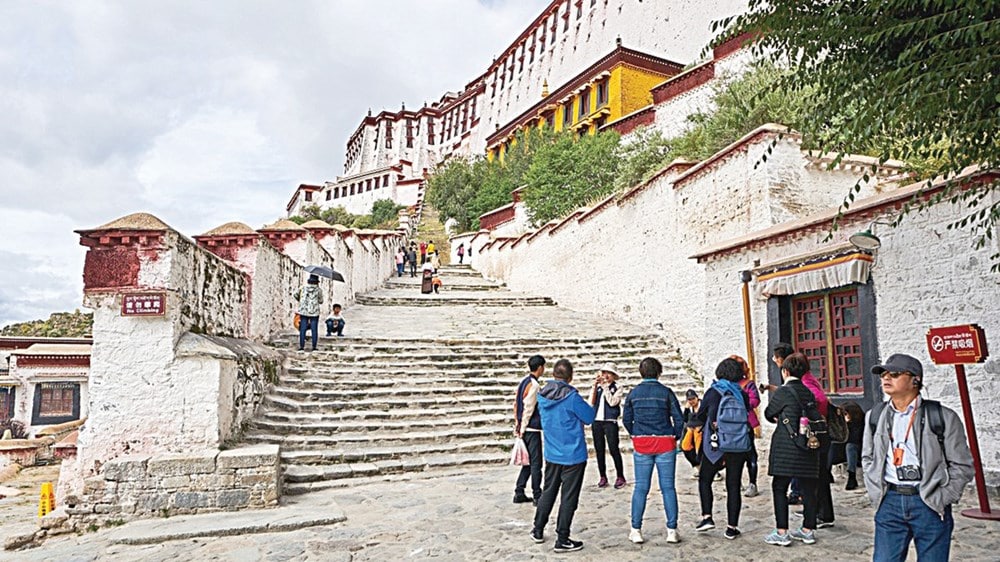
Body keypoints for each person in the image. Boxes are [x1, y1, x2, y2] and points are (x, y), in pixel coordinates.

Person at [862, 353, 974, 561]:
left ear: (916, 380)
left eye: (894, 374)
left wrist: (943, 496)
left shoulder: (942, 417)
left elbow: (962, 465)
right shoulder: (875, 415)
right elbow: (868, 457)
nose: (886, 378)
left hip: (928, 502)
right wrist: (876, 490)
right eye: (883, 374)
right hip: (890, 501)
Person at [531, 359, 595, 553]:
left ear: (553, 374)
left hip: (552, 453)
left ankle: (538, 529)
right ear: (570, 376)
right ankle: (562, 538)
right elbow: (589, 417)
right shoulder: (572, 397)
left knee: (548, 491)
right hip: (573, 455)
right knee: (569, 497)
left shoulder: (542, 395)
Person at [623, 357, 684, 545]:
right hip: (665, 442)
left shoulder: (633, 394)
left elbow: (626, 419)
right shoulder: (666, 392)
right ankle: (672, 530)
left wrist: (635, 434)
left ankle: (636, 529)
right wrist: (674, 436)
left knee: (641, 487)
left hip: (642, 443)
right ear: (659, 372)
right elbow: (679, 419)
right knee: (668, 488)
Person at [763, 352, 822, 547]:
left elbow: (769, 412)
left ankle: (782, 532)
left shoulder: (783, 391)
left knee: (780, 487)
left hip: (786, 448)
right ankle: (808, 530)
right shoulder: (809, 392)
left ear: (785, 371)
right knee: (809, 489)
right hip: (808, 446)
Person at [693, 358, 752, 540]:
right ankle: (732, 527)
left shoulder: (713, 392)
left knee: (705, 479)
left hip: (716, 444)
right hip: (738, 444)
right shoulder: (741, 394)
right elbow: (748, 412)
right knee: (733, 485)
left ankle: (707, 517)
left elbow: (701, 415)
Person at [771, 343, 803, 506]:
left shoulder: (795, 380)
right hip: (801, 430)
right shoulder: (802, 382)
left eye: (776, 357)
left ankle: (796, 492)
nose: (774, 360)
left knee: (780, 484)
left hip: (793, 433)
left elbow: (770, 411)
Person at [513, 355, 546, 506]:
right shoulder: (534, 385)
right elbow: (529, 408)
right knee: (535, 463)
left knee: (528, 462)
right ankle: (537, 494)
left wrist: (518, 425)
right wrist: (524, 427)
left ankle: (519, 491)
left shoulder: (523, 383)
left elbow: (516, 405)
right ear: (540, 367)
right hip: (531, 428)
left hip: (524, 427)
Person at [588, 364, 626, 489]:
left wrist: (605, 388)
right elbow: (591, 402)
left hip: (610, 421)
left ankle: (620, 475)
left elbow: (613, 402)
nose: (606, 375)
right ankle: (602, 476)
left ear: (614, 375)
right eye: (604, 372)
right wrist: (595, 386)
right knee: (599, 449)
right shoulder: (598, 387)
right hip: (597, 421)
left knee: (614, 448)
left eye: (609, 373)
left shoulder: (618, 387)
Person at [731, 355, 762, 497]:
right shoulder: (727, 384)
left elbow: (755, 400)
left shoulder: (748, 384)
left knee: (750, 454)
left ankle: (752, 483)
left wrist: (740, 403)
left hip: (745, 422)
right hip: (730, 423)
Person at [294, 274, 324, 351]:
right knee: (314, 329)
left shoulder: (302, 288)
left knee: (303, 328)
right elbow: (321, 301)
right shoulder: (319, 290)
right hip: (314, 312)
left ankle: (301, 347)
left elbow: (295, 295)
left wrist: (301, 301)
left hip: (303, 311)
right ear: (317, 282)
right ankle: (314, 347)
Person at [841, 401, 865, 490]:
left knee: (850, 447)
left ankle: (852, 476)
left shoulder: (862, 422)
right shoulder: (844, 423)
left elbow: (855, 439)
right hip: (843, 451)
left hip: (860, 450)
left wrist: (849, 425)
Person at [681, 389, 703, 478]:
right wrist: (686, 409)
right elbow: (685, 420)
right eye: (689, 399)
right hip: (691, 429)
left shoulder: (703, 405)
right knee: (685, 446)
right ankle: (697, 466)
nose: (692, 401)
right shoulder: (689, 407)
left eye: (693, 399)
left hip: (701, 430)